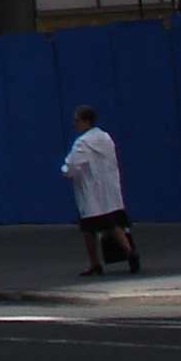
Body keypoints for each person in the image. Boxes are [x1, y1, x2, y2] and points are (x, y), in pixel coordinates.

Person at [62, 105, 140, 277]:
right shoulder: (106, 138)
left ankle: (94, 262)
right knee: (113, 223)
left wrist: (65, 170)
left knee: (89, 228)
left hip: (91, 192)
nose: (74, 123)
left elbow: (72, 166)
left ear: (87, 122)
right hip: (109, 191)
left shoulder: (82, 143)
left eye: (77, 120)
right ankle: (129, 252)